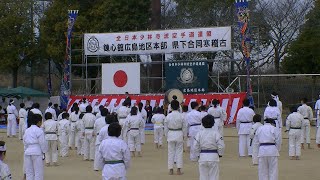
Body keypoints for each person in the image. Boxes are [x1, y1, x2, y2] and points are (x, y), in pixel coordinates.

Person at [193, 114, 225, 180]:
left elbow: (195, 145)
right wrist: (220, 154)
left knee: (203, 176)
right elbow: (221, 146)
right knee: (214, 176)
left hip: (202, 156)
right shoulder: (216, 133)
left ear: (202, 124)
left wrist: (197, 154)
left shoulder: (199, 133)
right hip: (213, 156)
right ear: (213, 124)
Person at [164, 99, 187, 175]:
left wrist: (167, 136)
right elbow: (184, 127)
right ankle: (178, 170)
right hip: (179, 133)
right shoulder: (181, 116)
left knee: (170, 152)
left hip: (170, 134)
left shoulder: (168, 116)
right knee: (179, 152)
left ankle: (170, 169)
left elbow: (165, 128)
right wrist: (184, 135)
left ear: (171, 108)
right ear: (178, 107)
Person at [23, 113, 48, 180]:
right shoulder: (39, 130)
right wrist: (44, 151)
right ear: (39, 122)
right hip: (37, 151)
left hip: (28, 152)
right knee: (38, 173)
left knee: (29, 172)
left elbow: (24, 142)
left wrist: (25, 150)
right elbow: (42, 142)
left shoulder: (27, 130)